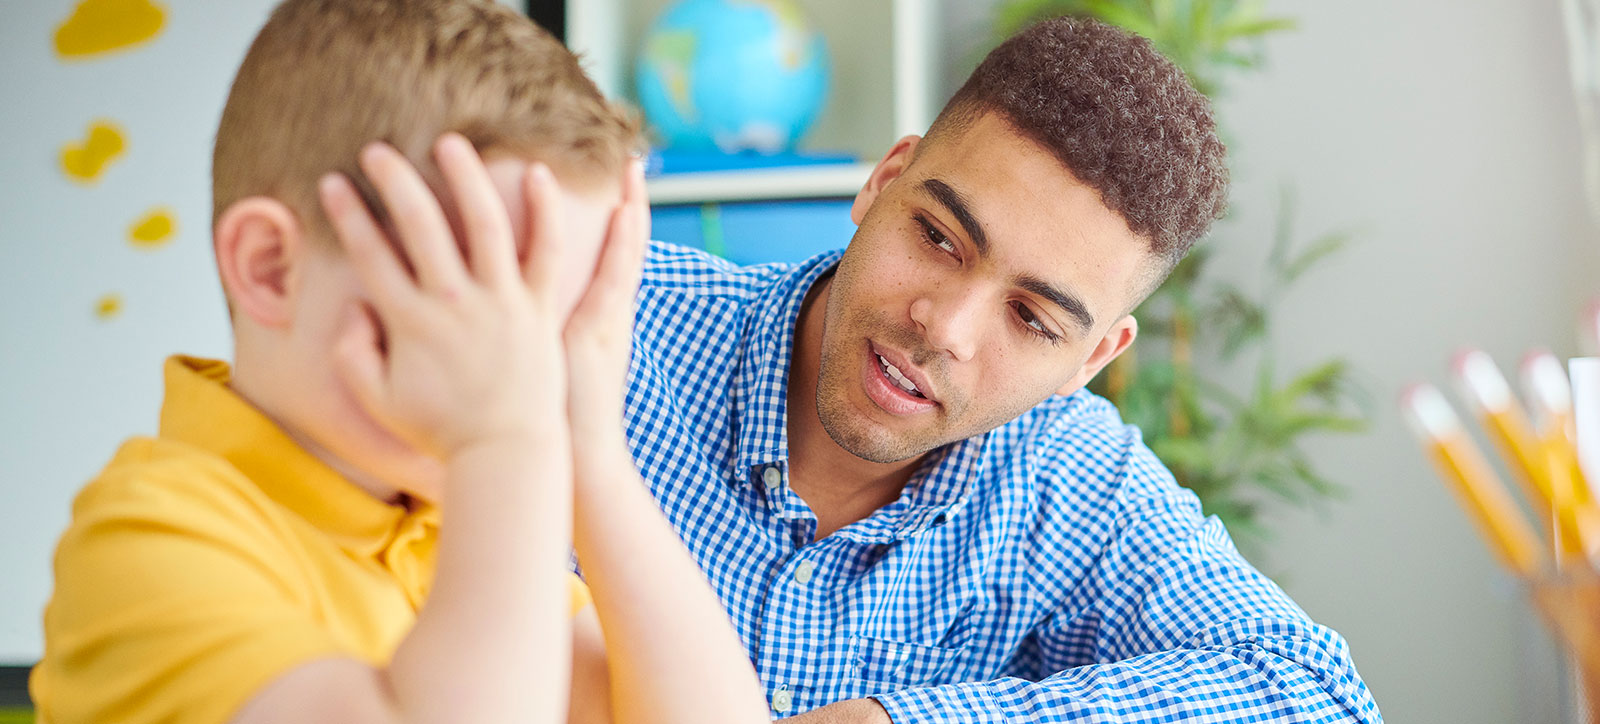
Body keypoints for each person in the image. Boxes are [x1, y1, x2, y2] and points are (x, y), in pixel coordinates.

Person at [615, 16, 1382, 724]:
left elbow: (1318, 698)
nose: (944, 328)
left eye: (1029, 318)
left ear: (1090, 360)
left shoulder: (1071, 477)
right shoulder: (603, 320)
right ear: (885, 180)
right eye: (939, 238)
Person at [28, 2, 771, 724]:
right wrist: (503, 445)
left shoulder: (447, 529)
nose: (530, 371)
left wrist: (594, 454)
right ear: (272, 270)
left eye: (567, 321)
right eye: (485, 303)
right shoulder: (146, 543)